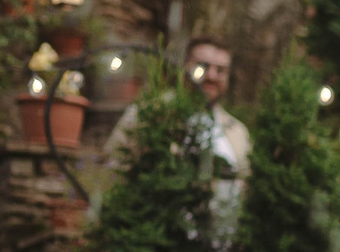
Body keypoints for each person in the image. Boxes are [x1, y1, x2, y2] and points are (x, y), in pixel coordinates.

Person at [103, 34, 253, 177]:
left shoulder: (238, 132)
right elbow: (112, 168)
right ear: (184, 66)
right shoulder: (148, 113)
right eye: (202, 66)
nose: (211, 76)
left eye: (220, 70)